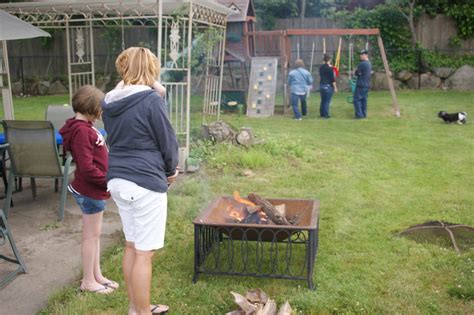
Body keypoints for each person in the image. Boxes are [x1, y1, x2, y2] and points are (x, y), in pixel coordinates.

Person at [102, 47, 179, 315]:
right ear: (152, 70)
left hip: (118, 181)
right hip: (145, 181)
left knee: (132, 247)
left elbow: (126, 88)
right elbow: (167, 140)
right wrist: (171, 170)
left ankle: (136, 308)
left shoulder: (109, 101)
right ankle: (143, 312)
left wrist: (137, 75)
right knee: (144, 254)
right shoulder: (150, 100)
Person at [60, 85, 118, 294]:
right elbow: (86, 168)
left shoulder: (84, 126)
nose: (102, 112)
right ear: (92, 107)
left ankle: (97, 275)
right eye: (100, 108)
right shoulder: (81, 132)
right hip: (90, 191)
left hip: (94, 190)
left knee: (95, 235)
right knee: (90, 237)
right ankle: (87, 281)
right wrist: (107, 181)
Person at [353, 49, 372, 119]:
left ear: (366, 55)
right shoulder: (369, 63)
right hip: (367, 84)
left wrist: (356, 72)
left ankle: (359, 115)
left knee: (356, 100)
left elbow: (356, 73)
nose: (360, 56)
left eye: (362, 54)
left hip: (361, 84)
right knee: (364, 100)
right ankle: (364, 114)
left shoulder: (362, 64)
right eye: (360, 54)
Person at [319, 54, 337, 119]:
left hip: (321, 85)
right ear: (330, 60)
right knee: (327, 101)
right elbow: (332, 79)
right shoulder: (330, 69)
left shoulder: (321, 67)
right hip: (328, 86)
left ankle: (322, 113)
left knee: (323, 100)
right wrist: (335, 88)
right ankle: (326, 115)